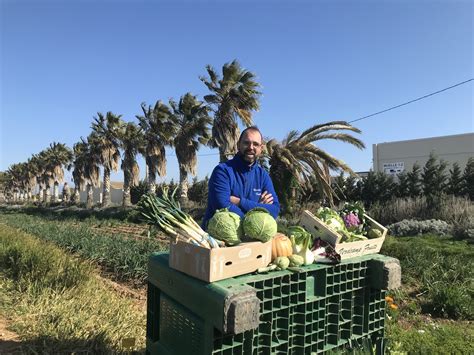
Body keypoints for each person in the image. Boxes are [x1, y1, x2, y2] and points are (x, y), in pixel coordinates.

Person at [202, 126, 280, 228]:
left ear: (261, 149)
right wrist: (259, 210)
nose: (251, 147)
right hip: (216, 238)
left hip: (249, 239)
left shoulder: (263, 176)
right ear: (239, 145)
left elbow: (274, 210)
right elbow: (222, 206)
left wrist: (239, 202)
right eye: (246, 143)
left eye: (255, 144)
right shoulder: (223, 171)